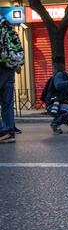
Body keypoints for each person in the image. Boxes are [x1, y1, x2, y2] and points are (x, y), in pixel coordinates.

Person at [0, 15, 24, 144]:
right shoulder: (7, 24)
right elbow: (15, 45)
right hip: (9, 67)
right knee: (7, 103)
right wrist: (17, 64)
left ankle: (3, 131)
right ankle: (9, 132)